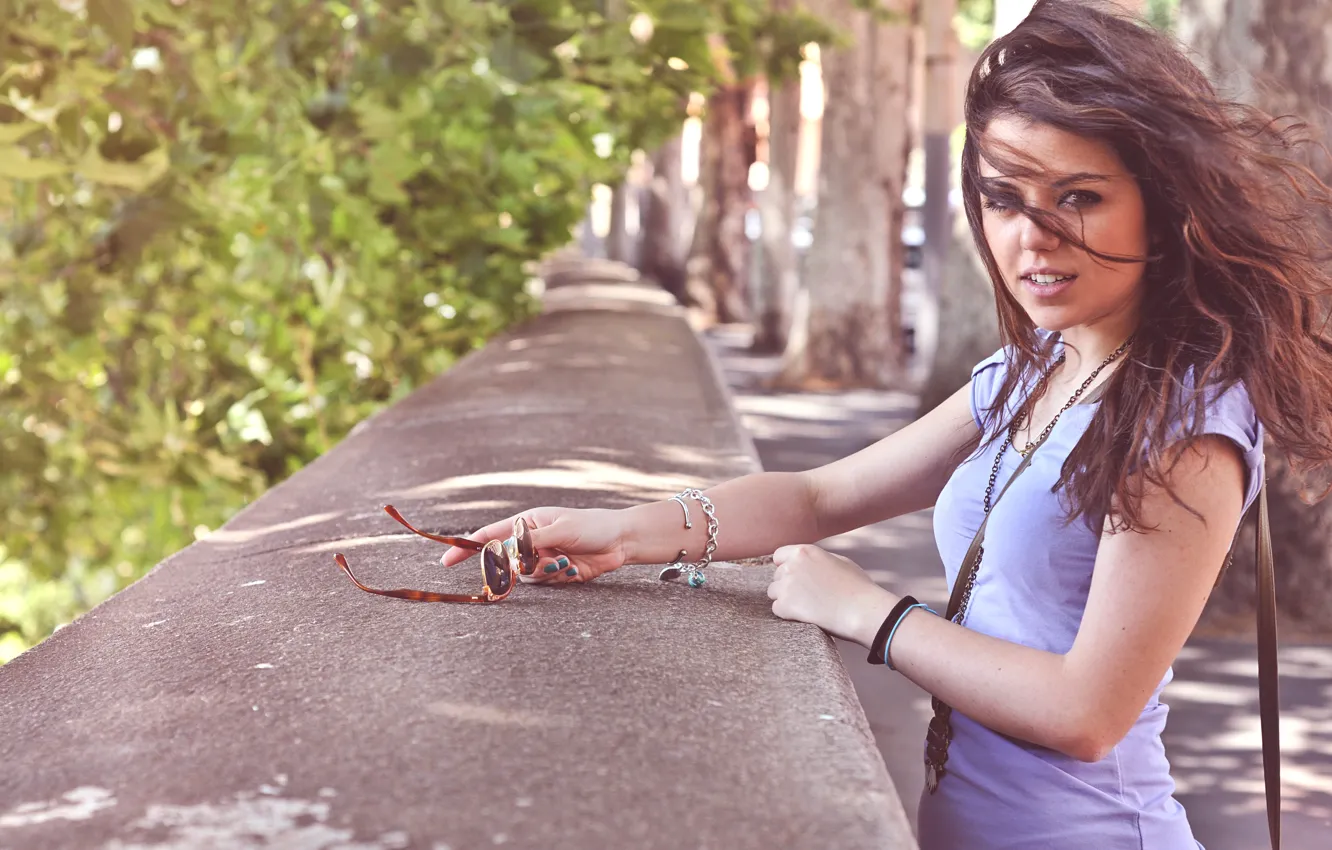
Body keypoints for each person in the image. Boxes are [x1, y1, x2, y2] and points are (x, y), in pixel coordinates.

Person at [443, 1, 1332, 846]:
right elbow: (822, 493)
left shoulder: (1180, 429)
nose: (1033, 237)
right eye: (1004, 198)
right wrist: (623, 532)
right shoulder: (1031, 372)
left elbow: (1087, 714)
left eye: (1080, 197)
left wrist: (871, 611)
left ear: (1163, 202)